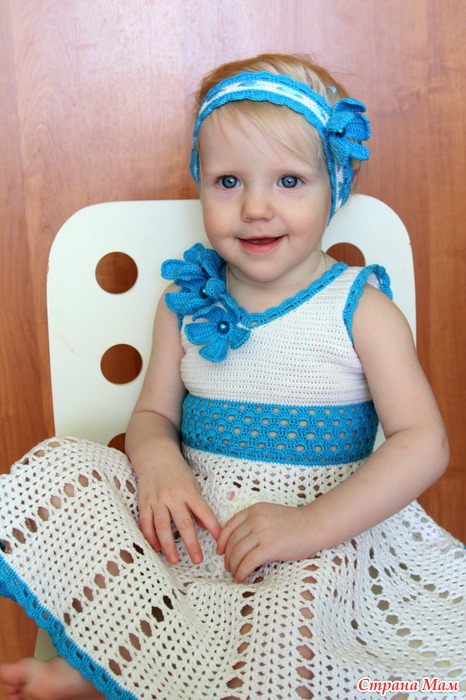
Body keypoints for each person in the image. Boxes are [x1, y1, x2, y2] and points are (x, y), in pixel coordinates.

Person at [0, 53, 464, 700]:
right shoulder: (185, 303)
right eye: (227, 181)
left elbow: (423, 443)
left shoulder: (360, 308)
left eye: (289, 181)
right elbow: (153, 414)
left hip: (322, 534)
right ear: (200, 182)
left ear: (335, 186)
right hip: (200, 521)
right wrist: (158, 461)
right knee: (64, 470)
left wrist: (309, 527)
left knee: (292, 629)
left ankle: (125, 677)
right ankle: (106, 663)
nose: (255, 207)